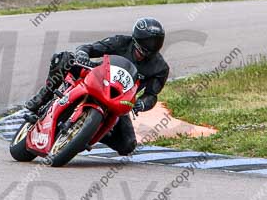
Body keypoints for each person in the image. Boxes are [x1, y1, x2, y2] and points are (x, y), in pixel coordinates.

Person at [24, 17, 169, 156]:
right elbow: (89, 48)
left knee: (128, 145)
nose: (152, 45)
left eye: (156, 42)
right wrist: (82, 55)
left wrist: (141, 104)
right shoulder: (120, 41)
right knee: (64, 58)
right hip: (96, 78)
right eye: (149, 41)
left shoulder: (160, 68)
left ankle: (88, 133)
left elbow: (152, 94)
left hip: (119, 98)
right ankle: (43, 97)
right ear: (138, 38)